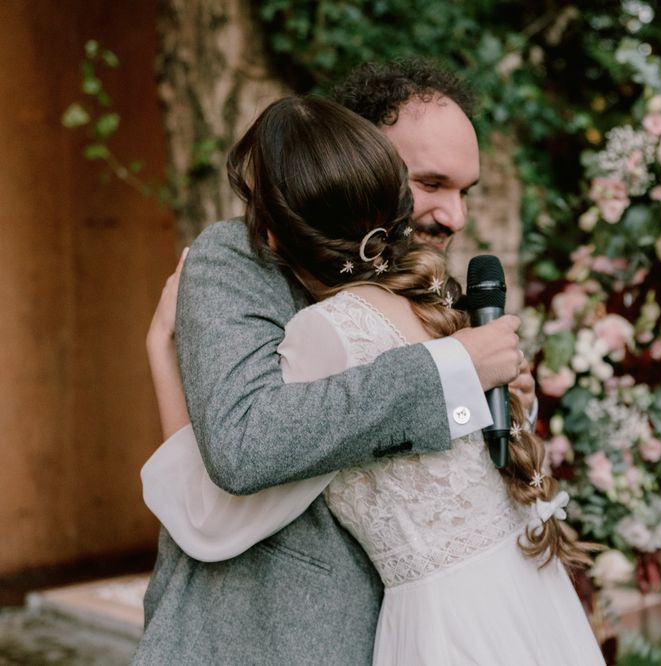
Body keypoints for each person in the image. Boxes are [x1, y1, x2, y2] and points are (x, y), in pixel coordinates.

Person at [142, 95, 603, 665]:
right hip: (268, 637)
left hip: (451, 613)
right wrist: (453, 373)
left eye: (467, 192)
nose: (454, 216)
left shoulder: (417, 284)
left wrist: (499, 402)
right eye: (430, 183)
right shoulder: (242, 260)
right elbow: (239, 452)